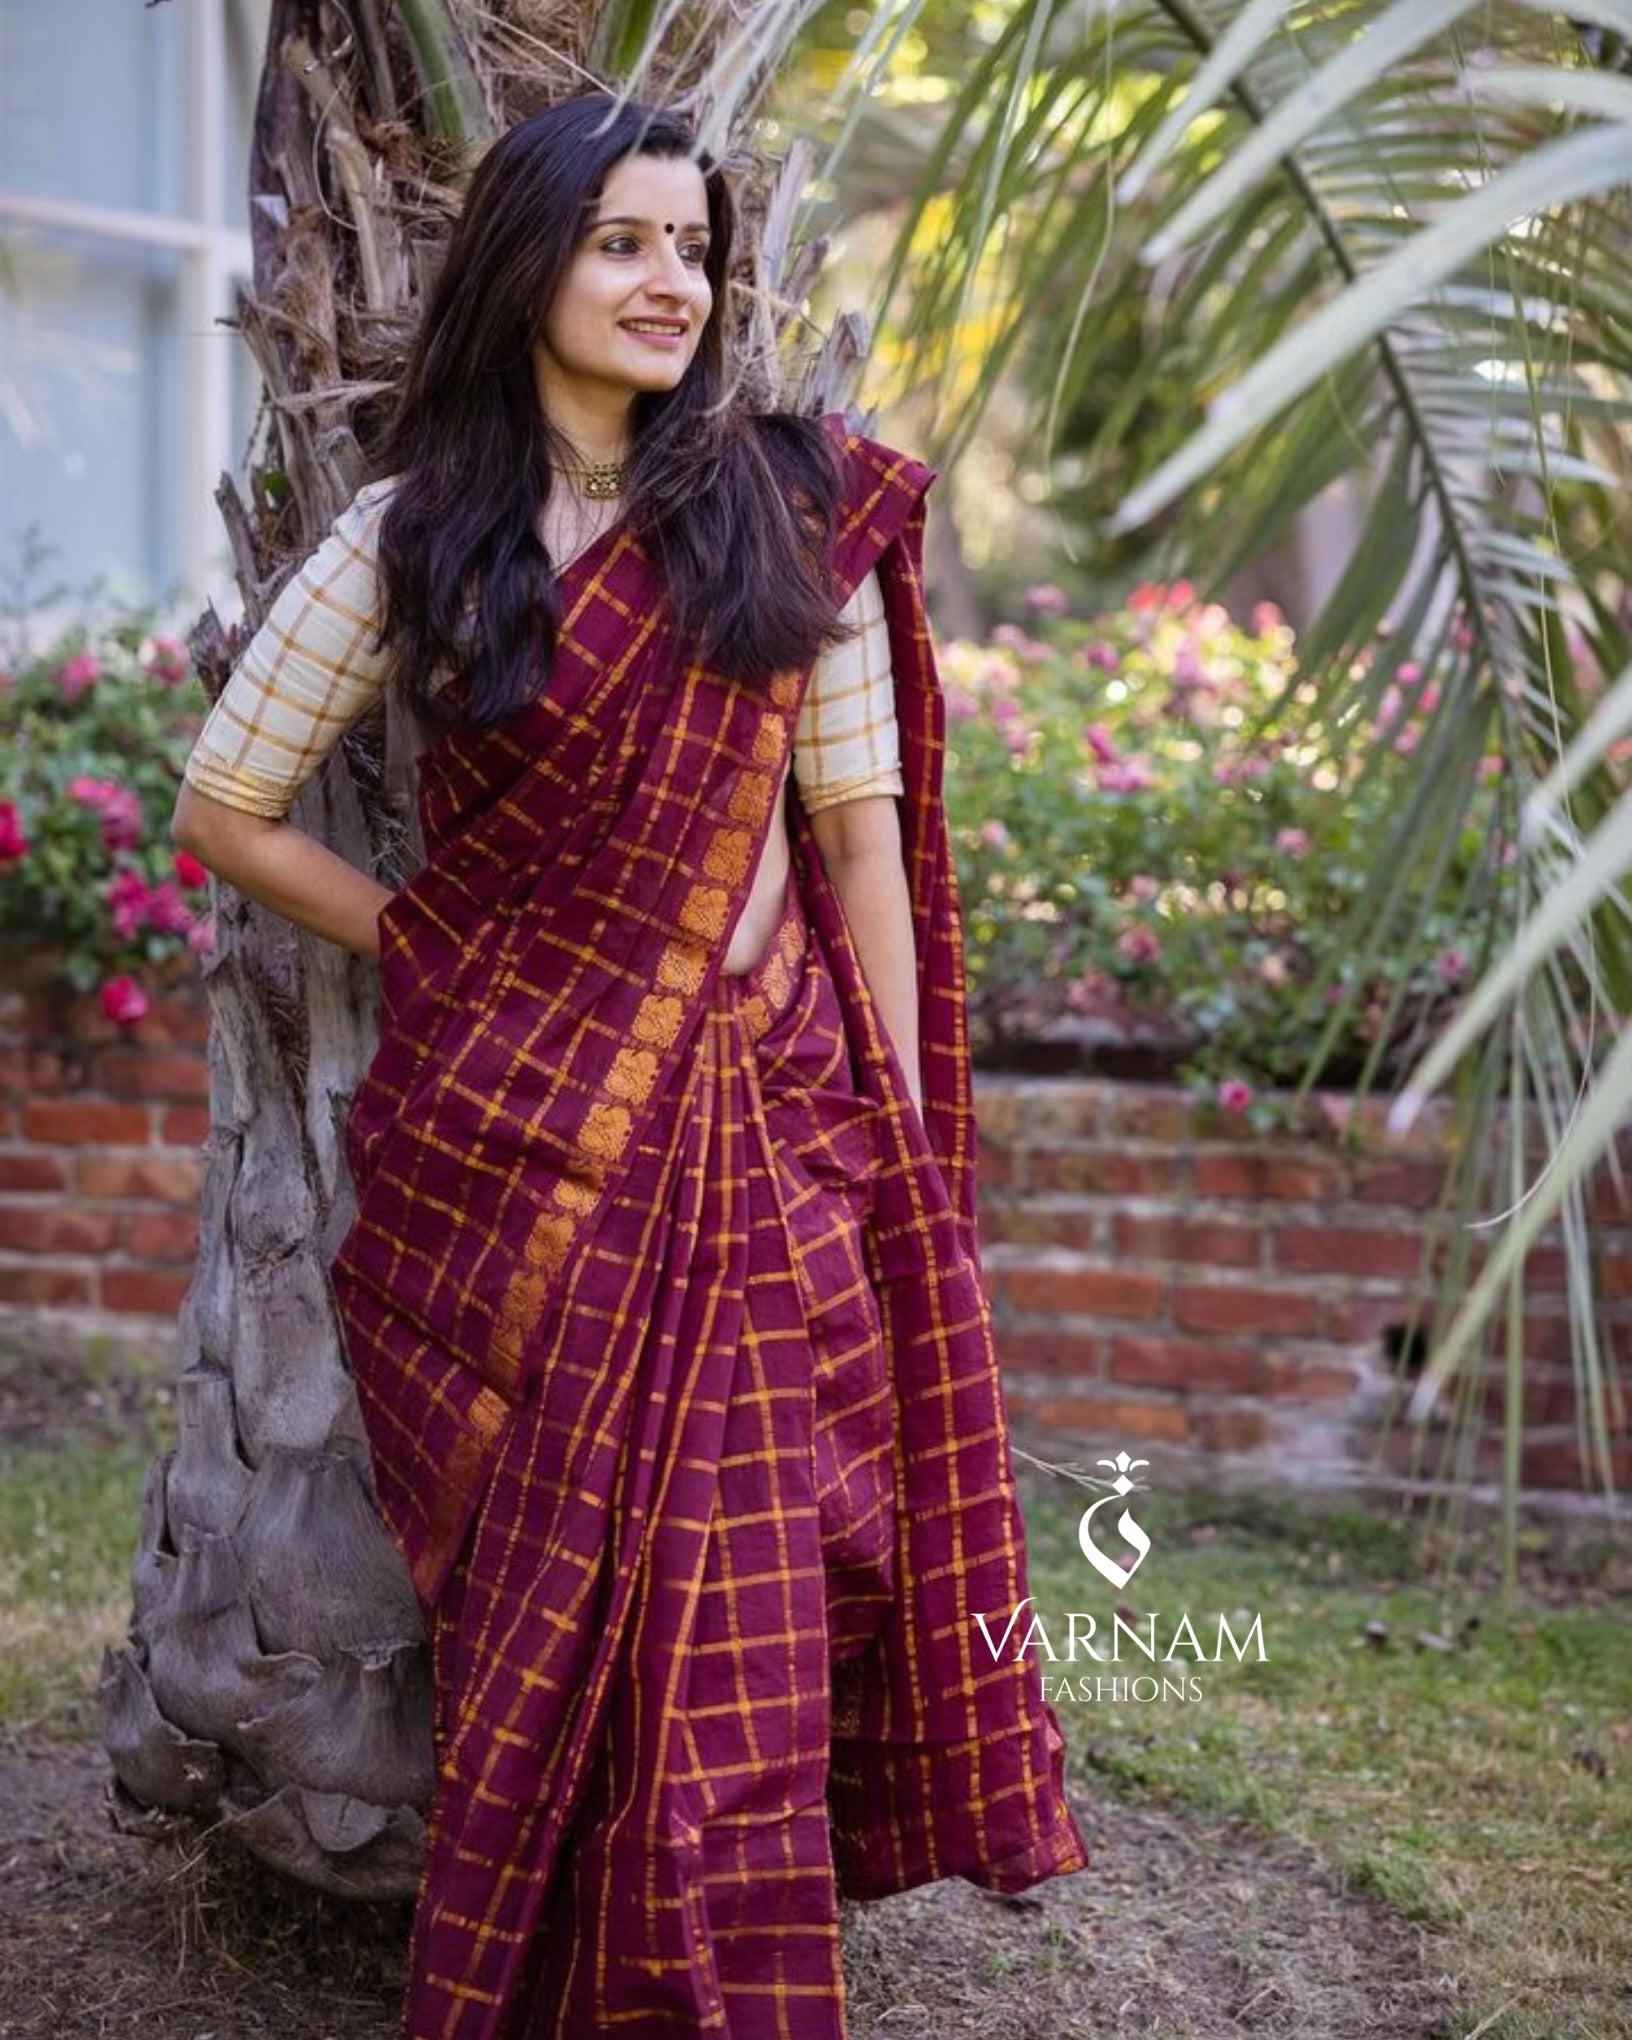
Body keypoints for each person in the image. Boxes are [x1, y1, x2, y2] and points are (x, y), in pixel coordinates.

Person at [173, 92, 1086, 2040]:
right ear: (531, 266)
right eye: (623, 242)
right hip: (509, 1144)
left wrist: (905, 1139)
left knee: (743, 1608)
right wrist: (434, 941)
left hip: (764, 1119)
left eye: (691, 248)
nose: (670, 281)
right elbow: (228, 805)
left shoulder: (783, 507)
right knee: (552, 1621)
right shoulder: (416, 540)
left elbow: (858, 843)